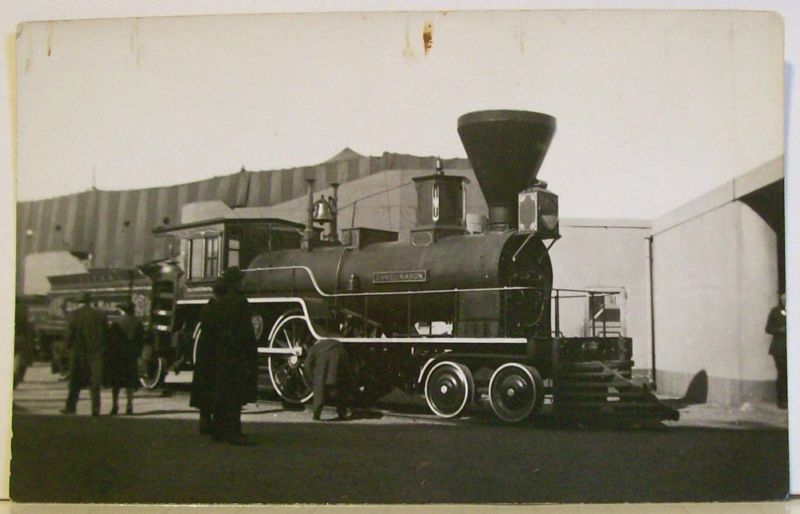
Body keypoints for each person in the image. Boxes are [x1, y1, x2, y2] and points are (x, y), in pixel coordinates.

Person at [201, 267, 258, 444]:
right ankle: (233, 432)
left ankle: (218, 431)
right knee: (234, 394)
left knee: (222, 392)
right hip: (236, 352)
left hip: (221, 351)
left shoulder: (220, 302)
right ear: (237, 282)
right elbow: (245, 331)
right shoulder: (240, 302)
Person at [61, 293, 108, 416]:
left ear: (78, 302)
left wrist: (66, 348)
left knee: (75, 382)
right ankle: (95, 409)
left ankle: (71, 407)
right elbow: (106, 335)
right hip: (96, 353)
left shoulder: (73, 315)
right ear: (90, 301)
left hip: (78, 353)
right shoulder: (101, 315)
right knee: (95, 383)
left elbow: (70, 335)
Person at [189, 280, 224, 435]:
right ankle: (209, 422)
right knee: (212, 387)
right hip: (213, 352)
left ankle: (205, 422)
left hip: (206, 351)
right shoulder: (216, 309)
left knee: (206, 388)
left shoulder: (207, 308)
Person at [106, 302, 144, 415]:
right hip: (131, 357)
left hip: (118, 357)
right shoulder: (138, 323)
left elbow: (111, 341)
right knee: (130, 384)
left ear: (123, 310)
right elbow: (140, 341)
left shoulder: (116, 323)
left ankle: (115, 406)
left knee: (116, 384)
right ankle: (129, 406)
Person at [304, 338, 351, 421]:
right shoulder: (334, 344)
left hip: (324, 362)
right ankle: (341, 413)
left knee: (319, 388)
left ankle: (316, 415)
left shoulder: (315, 347)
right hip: (340, 351)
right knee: (341, 384)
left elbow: (307, 364)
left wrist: (312, 379)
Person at [766, 293, 787, 409]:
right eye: (784, 300)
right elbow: (768, 329)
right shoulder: (775, 311)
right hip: (780, 349)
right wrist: (780, 330)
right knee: (782, 374)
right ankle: (782, 401)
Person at [14, 299, 34, 389]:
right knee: (21, 360)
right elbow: (27, 325)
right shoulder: (22, 308)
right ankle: (17, 380)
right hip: (21, 338)